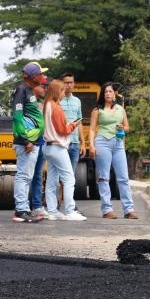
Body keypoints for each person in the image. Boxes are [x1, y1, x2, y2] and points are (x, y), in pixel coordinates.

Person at [88, 82, 137, 219]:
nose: (108, 94)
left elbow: (127, 127)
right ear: (102, 95)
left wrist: (123, 127)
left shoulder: (121, 109)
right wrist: (91, 145)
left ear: (114, 94)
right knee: (104, 177)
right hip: (102, 141)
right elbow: (92, 129)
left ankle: (129, 209)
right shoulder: (97, 110)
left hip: (118, 143)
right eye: (105, 92)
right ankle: (107, 209)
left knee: (123, 177)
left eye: (110, 91)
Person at [43, 79, 87, 221]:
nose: (64, 93)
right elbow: (62, 130)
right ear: (57, 91)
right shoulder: (56, 107)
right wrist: (73, 124)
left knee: (51, 180)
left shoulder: (47, 105)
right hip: (58, 146)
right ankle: (69, 211)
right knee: (69, 179)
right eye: (62, 90)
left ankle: (52, 211)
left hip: (48, 146)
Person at [12, 61, 48, 223]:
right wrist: (26, 139)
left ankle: (25, 208)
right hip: (26, 142)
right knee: (23, 175)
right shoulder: (21, 90)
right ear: (33, 77)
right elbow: (17, 117)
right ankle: (21, 209)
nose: (42, 77)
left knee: (28, 176)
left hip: (33, 142)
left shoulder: (29, 91)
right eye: (40, 74)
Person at [30, 76, 48, 218]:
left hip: (41, 142)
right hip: (30, 143)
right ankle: (22, 205)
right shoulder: (27, 103)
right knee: (26, 175)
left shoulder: (43, 105)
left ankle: (36, 205)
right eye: (43, 86)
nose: (45, 89)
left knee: (37, 175)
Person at [60, 73, 86, 172]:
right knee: (61, 175)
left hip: (75, 143)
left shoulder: (77, 101)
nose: (69, 85)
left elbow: (79, 122)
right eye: (66, 83)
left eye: (71, 82)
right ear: (62, 84)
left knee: (71, 175)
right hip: (61, 142)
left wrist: (82, 143)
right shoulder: (58, 100)